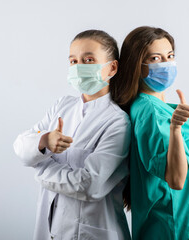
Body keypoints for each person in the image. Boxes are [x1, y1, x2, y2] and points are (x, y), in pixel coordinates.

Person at [13, 30, 131, 240]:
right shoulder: (62, 106)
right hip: (50, 229)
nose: (78, 67)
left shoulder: (117, 122)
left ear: (112, 67)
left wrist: (41, 168)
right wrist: (45, 141)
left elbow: (89, 185)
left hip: (92, 232)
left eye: (88, 60)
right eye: (73, 61)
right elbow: (21, 146)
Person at [110, 26, 189, 240]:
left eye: (170, 56)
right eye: (155, 58)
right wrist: (175, 129)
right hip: (173, 228)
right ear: (137, 65)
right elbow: (176, 179)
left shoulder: (156, 107)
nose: (166, 64)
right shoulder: (150, 112)